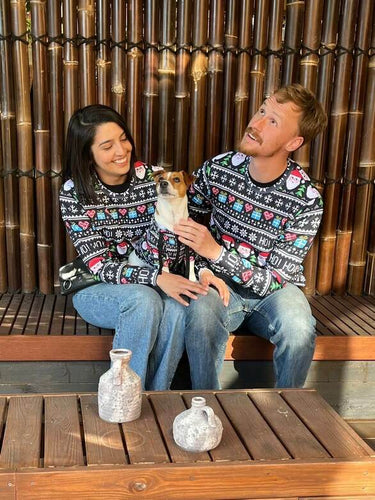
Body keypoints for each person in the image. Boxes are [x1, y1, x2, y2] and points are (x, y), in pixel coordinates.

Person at [59, 104, 229, 391]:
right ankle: (125, 395)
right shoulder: (74, 192)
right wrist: (156, 278)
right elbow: (99, 265)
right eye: (107, 145)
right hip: (97, 287)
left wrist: (201, 271)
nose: (121, 150)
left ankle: (154, 398)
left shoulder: (154, 180)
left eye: (123, 138)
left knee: (177, 308)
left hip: (154, 283)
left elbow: (180, 231)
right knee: (143, 299)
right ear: (87, 154)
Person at [174, 83, 328, 388]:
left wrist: (216, 252)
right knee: (201, 311)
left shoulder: (306, 199)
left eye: (272, 121)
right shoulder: (219, 169)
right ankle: (204, 406)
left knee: (299, 326)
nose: (255, 125)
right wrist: (204, 267)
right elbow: (182, 221)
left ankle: (287, 410)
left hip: (275, 292)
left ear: (294, 142)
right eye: (261, 111)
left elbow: (274, 279)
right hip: (219, 284)